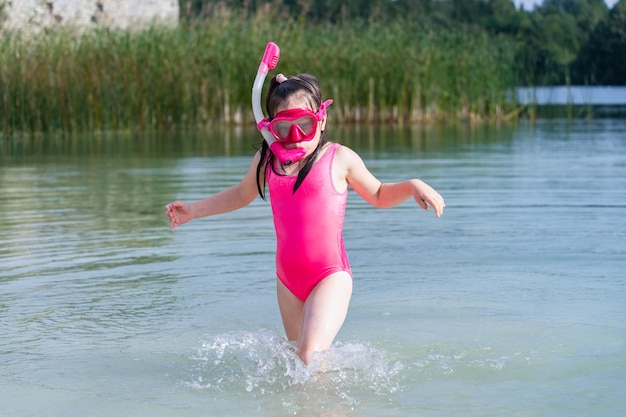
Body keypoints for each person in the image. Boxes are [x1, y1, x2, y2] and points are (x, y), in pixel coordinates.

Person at [165, 73, 445, 365]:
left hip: (329, 276)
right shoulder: (267, 161)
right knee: (301, 367)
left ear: (321, 120)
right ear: (271, 129)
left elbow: (378, 194)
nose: (296, 136)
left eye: (305, 125)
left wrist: (412, 185)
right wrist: (193, 211)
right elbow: (240, 195)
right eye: (285, 128)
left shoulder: (339, 158)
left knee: (308, 354)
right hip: (287, 283)